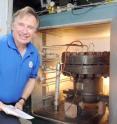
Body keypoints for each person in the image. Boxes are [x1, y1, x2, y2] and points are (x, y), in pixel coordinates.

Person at [0, 6, 40, 124]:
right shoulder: (1, 45)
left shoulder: (34, 53)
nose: (25, 31)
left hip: (12, 109)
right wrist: (1, 106)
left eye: (30, 27)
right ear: (13, 25)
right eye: (21, 24)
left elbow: (32, 79)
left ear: (34, 31)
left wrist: (22, 100)